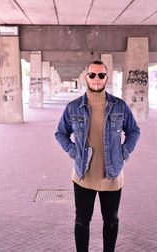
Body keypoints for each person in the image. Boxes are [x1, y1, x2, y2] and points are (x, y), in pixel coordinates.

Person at [55, 60, 140, 252]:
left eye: (101, 75)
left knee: (111, 221)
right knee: (82, 221)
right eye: (92, 75)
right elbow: (60, 133)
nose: (96, 79)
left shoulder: (119, 106)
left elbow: (134, 131)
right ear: (86, 77)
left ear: (106, 78)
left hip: (112, 175)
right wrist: (73, 151)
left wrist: (123, 152)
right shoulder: (73, 107)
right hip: (83, 176)